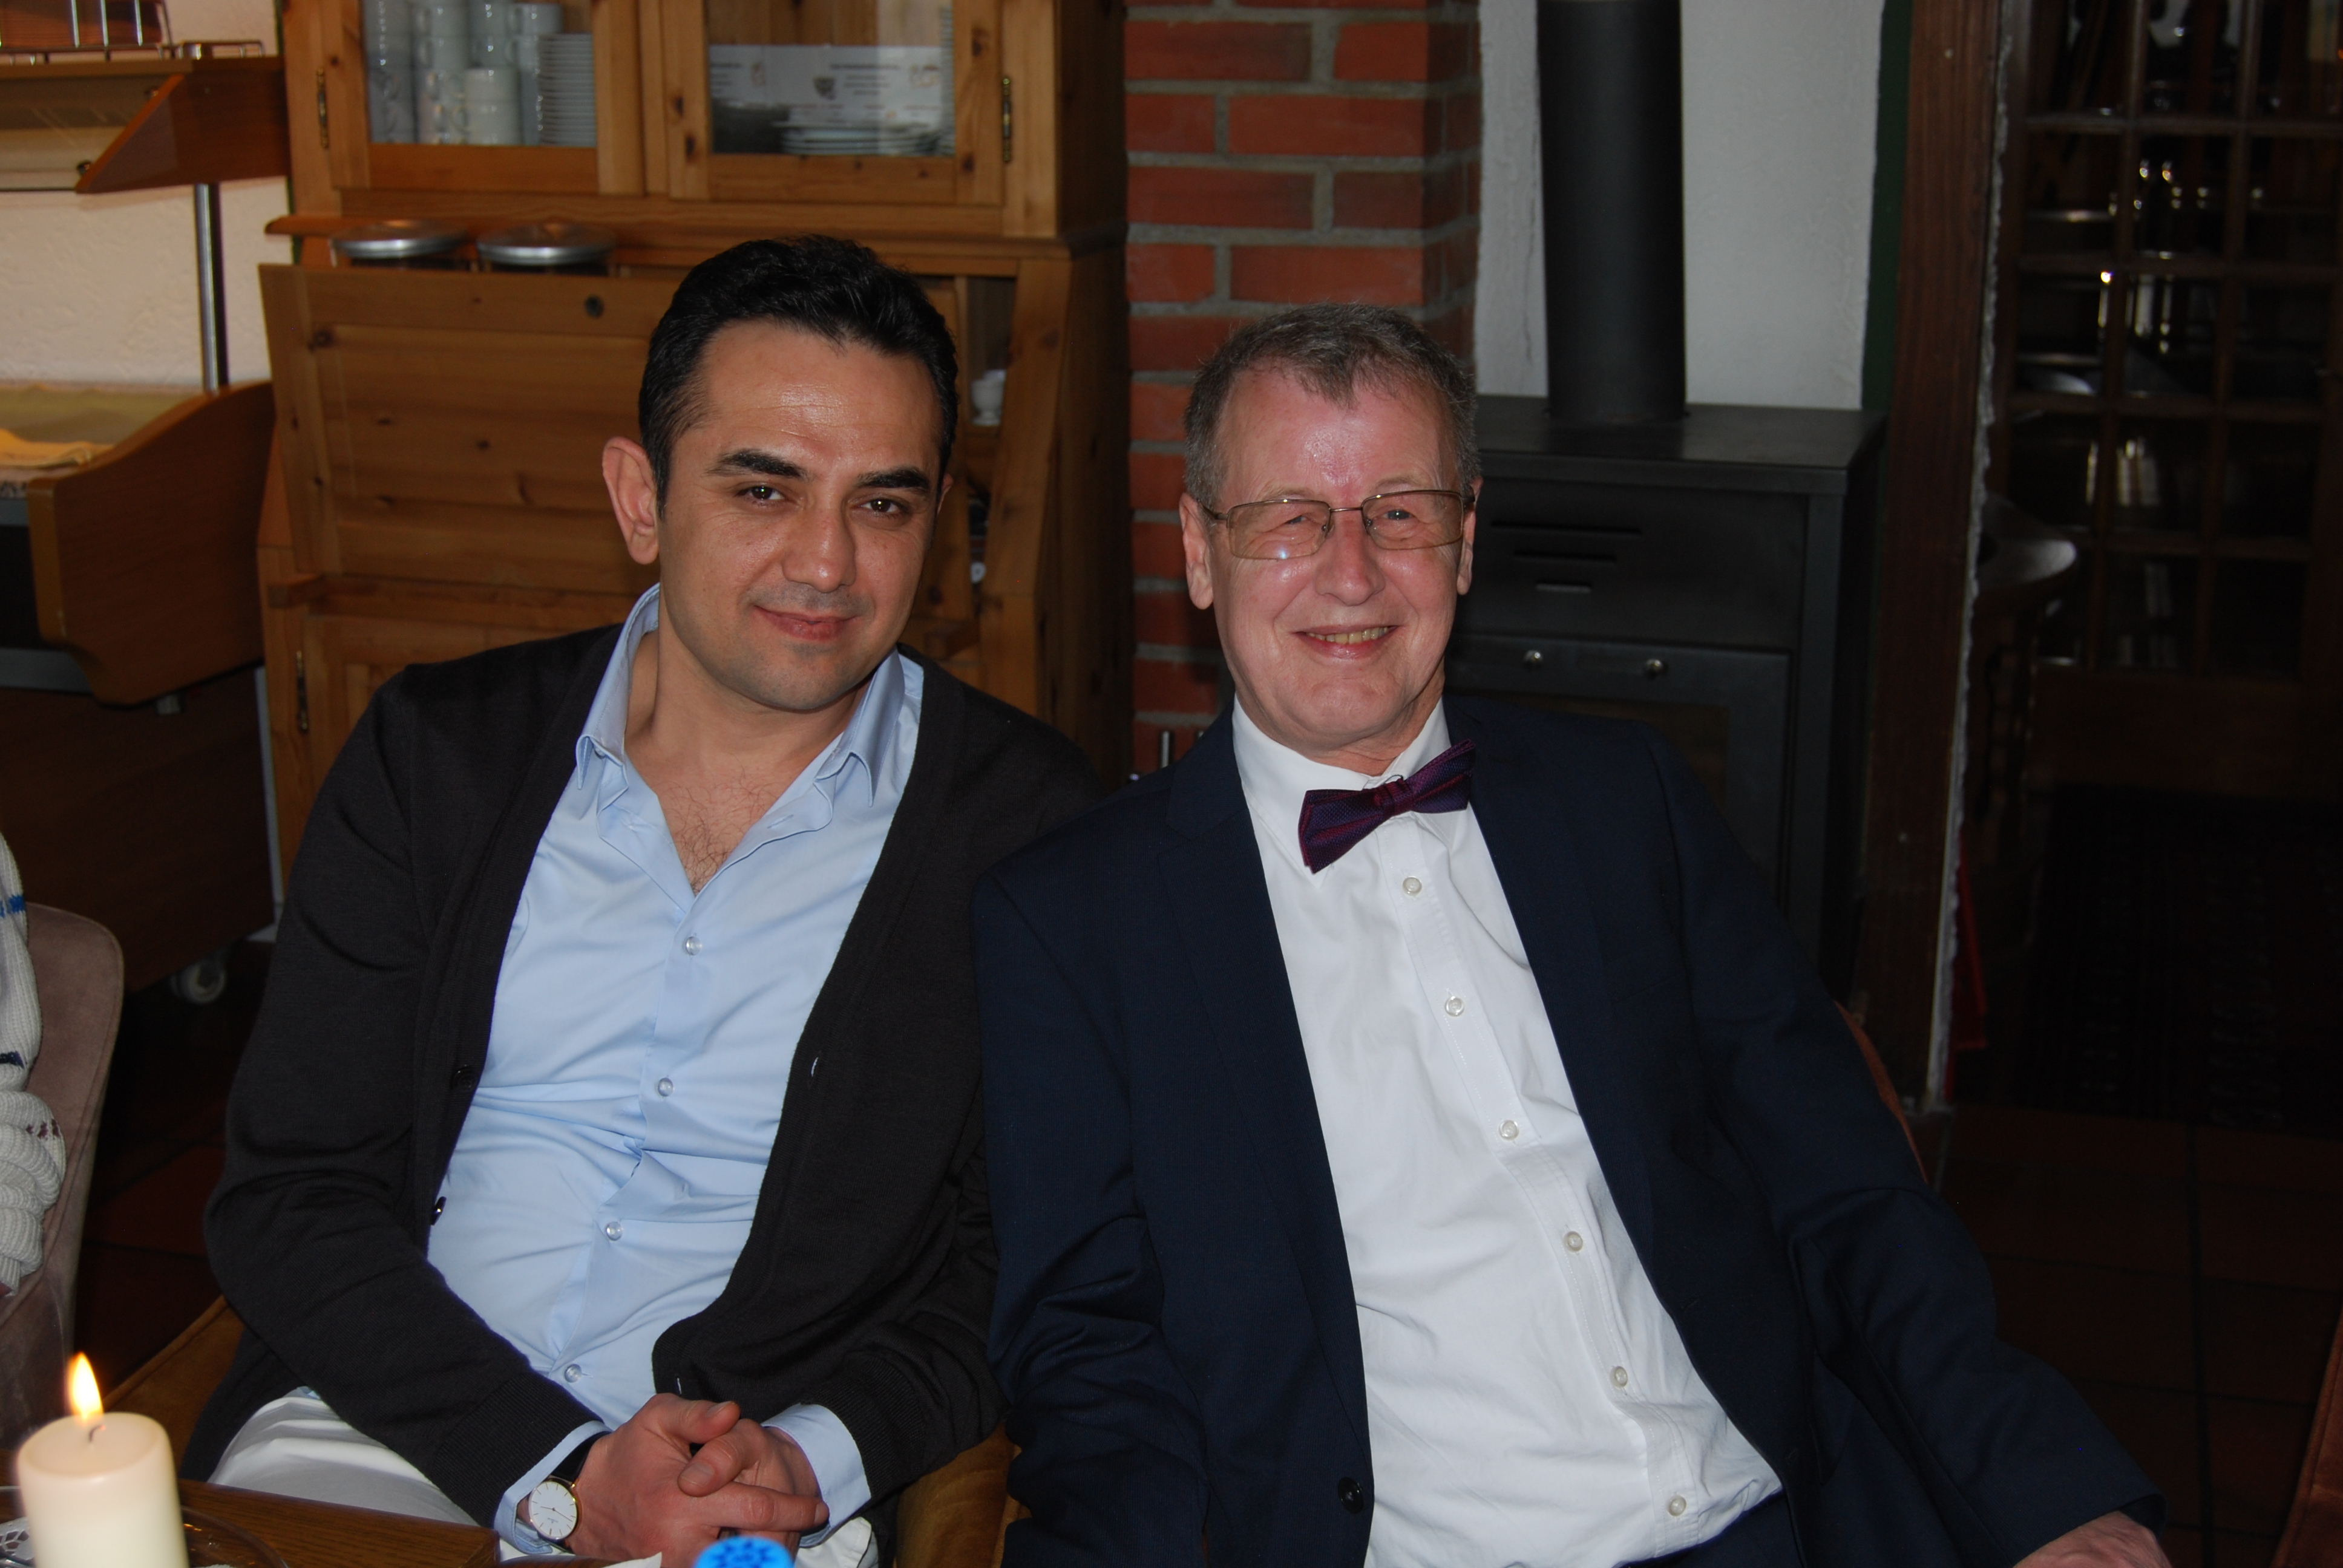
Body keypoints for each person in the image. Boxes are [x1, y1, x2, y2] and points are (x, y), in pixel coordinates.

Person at [974, 305, 2171, 1568]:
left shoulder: (1625, 800)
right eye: (1288, 518)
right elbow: (1089, 1359)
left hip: (1775, 1519)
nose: (1350, 573)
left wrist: (2043, 1492)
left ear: (1465, 541)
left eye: (1400, 513)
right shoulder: (1073, 924)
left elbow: (1843, 1187)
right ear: (1200, 552)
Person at [192, 236, 1101, 1566]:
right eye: (763, 489)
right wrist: (556, 1472)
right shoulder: (438, 757)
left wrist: (817, 1452)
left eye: (883, 504)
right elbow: (291, 1190)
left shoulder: (1025, 831)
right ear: (640, 496)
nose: (827, 563)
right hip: (384, 1435)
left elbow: (1028, 1255)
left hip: (744, 1483)